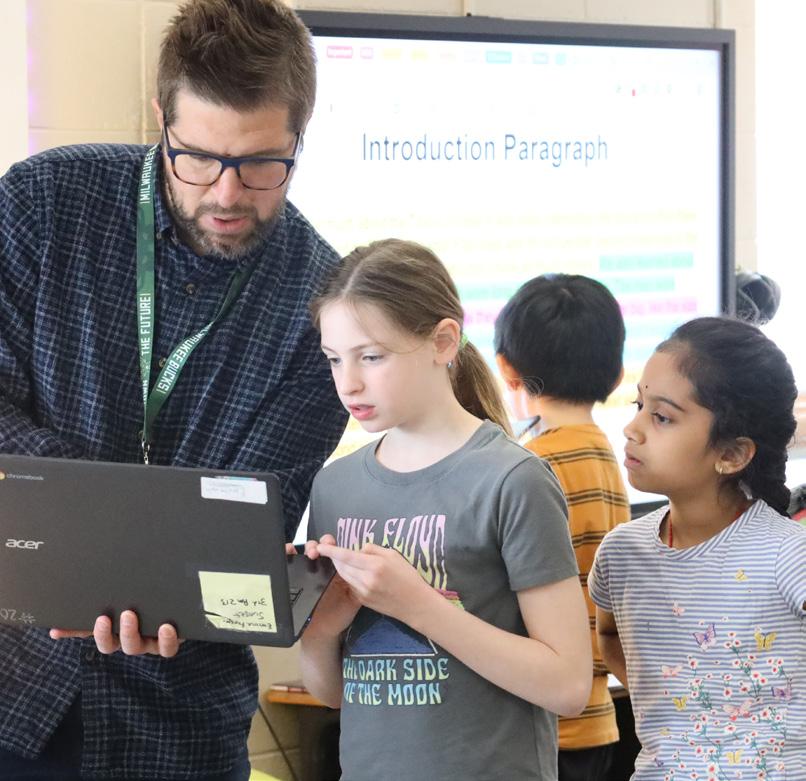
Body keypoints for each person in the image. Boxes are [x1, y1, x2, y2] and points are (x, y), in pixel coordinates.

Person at [0, 0, 347, 778]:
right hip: (11, 685)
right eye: (197, 157)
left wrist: (132, 561)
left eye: (262, 164)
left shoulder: (321, 307)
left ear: (299, 138)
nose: (226, 193)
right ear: (162, 119)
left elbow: (252, 521)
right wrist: (113, 537)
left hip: (176, 726)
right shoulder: (44, 203)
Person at [298, 238, 592, 780]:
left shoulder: (512, 480)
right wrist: (319, 631)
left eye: (371, 356)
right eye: (334, 359)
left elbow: (569, 685)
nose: (349, 382)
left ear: (443, 341)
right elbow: (334, 694)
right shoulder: (335, 486)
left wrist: (418, 605)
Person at [588, 317, 806, 780]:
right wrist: (683, 701)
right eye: (639, 404)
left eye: (662, 417)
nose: (632, 428)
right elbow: (608, 635)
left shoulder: (788, 555)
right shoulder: (621, 553)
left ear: (732, 454)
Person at [493, 273, 630, 781]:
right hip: (593, 719)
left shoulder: (531, 467)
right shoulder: (603, 452)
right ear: (617, 375)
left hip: (543, 726)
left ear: (506, 369)